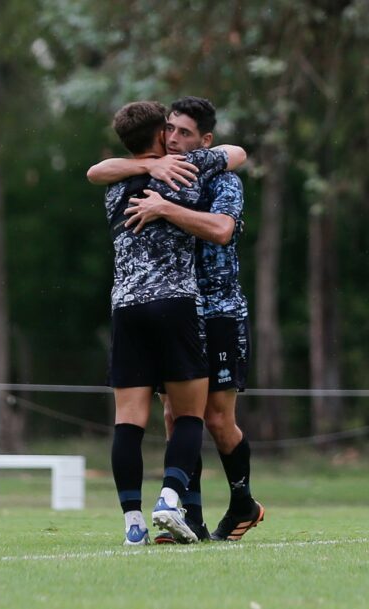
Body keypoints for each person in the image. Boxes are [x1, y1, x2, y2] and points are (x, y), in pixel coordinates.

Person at [87, 96, 263, 543]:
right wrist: (147, 167)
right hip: (178, 306)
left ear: (203, 139)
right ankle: (187, 514)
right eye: (172, 130)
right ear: (161, 133)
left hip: (215, 305)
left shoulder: (218, 178)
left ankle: (240, 499)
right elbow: (98, 169)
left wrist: (163, 205)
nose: (177, 139)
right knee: (177, 414)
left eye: (186, 133)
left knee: (215, 418)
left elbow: (224, 224)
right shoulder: (160, 170)